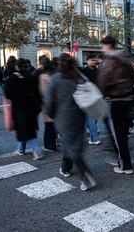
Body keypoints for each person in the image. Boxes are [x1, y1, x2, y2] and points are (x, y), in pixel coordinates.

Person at [44, 53, 96, 190]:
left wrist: (51, 114)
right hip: (79, 115)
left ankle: (86, 176)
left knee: (72, 146)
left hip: (63, 117)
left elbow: (49, 102)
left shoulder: (55, 79)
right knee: (72, 142)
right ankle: (65, 168)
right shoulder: (78, 76)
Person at [98, 35, 134, 175]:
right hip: (129, 98)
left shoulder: (110, 60)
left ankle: (125, 165)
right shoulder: (126, 57)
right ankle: (127, 160)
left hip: (115, 100)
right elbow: (133, 76)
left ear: (107, 46)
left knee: (118, 135)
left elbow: (103, 81)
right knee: (124, 133)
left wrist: (102, 94)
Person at [4, 58, 44, 160]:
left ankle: (36, 150)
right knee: (28, 130)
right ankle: (21, 149)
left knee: (24, 131)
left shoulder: (12, 79)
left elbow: (8, 94)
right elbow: (38, 93)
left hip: (19, 109)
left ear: (17, 67)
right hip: (32, 109)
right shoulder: (32, 78)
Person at [39, 57, 58, 151]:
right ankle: (54, 142)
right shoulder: (55, 74)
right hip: (56, 101)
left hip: (47, 102)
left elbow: (43, 91)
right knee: (53, 124)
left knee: (48, 125)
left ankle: (50, 145)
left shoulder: (42, 76)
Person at [82, 54, 101, 145]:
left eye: (95, 60)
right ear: (87, 60)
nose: (94, 61)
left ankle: (94, 135)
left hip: (97, 96)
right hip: (88, 97)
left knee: (93, 118)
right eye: (92, 60)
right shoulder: (83, 71)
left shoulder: (99, 71)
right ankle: (94, 136)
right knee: (91, 118)